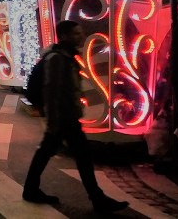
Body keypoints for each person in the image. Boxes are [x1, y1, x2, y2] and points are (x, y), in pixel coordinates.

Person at [23, 20, 129, 214]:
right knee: (75, 155)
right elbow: (52, 90)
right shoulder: (57, 58)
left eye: (80, 33)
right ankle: (97, 199)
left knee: (66, 155)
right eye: (75, 34)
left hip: (67, 116)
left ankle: (32, 190)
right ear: (63, 36)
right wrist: (53, 121)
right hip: (63, 118)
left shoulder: (65, 56)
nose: (80, 37)